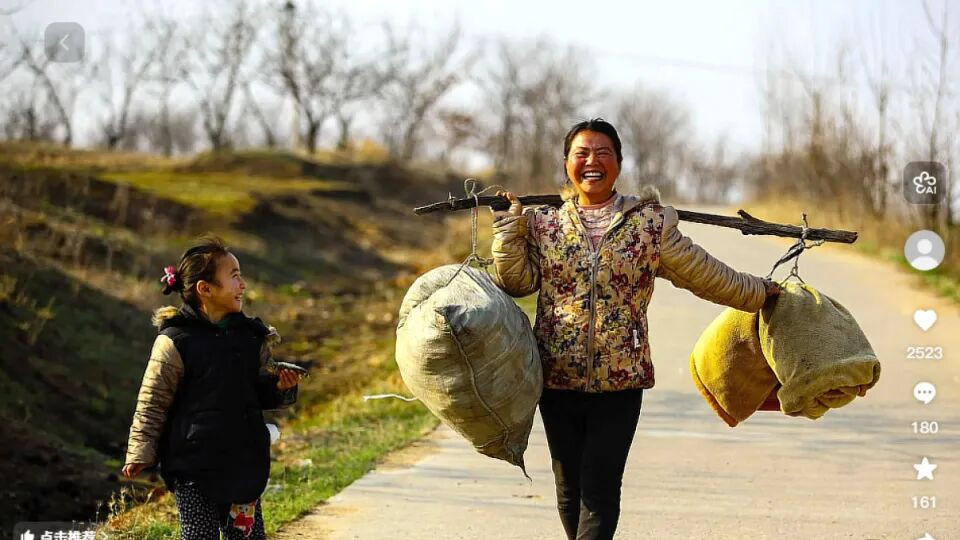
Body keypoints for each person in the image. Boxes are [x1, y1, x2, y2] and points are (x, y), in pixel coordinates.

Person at [490, 118, 780, 540]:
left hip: (621, 382)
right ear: (567, 165)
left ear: (619, 164)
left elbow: (707, 275)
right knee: (571, 491)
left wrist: (761, 293)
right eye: (582, 153)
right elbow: (516, 283)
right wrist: (507, 230)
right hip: (555, 379)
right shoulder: (543, 224)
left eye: (603, 153)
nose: (593, 161)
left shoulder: (649, 225)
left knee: (601, 490)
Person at [121, 234, 305, 540]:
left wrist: (281, 387)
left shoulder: (251, 336)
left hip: (244, 464)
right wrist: (140, 452)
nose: (242, 285)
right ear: (204, 289)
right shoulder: (174, 341)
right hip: (193, 467)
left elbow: (258, 392)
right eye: (233, 277)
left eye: (240, 276)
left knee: (246, 536)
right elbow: (153, 402)